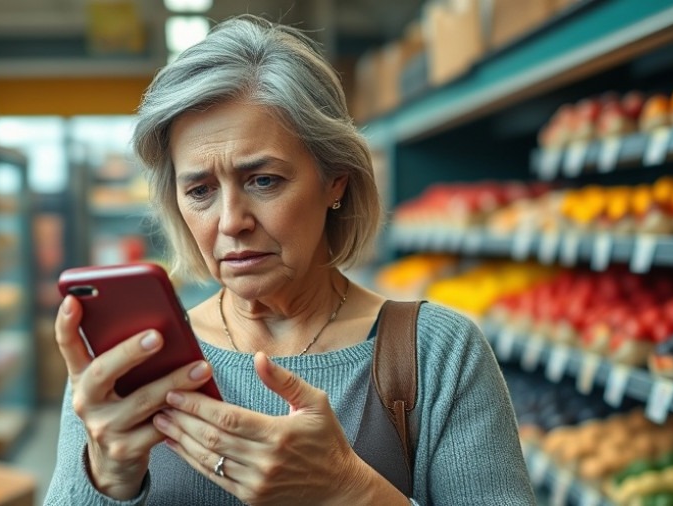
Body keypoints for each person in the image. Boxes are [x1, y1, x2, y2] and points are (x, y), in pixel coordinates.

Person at [46, 14, 535, 506]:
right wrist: (106, 476)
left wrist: (350, 489)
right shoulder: (125, 364)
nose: (231, 220)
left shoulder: (437, 356)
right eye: (200, 190)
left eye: (264, 180)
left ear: (335, 179)